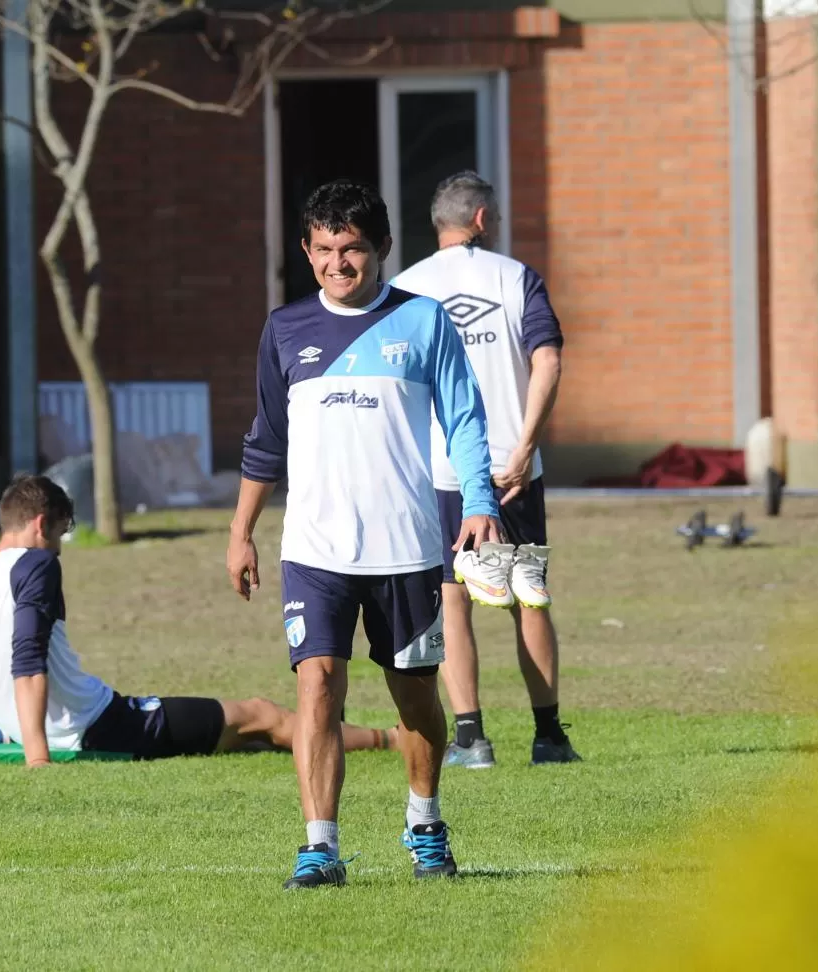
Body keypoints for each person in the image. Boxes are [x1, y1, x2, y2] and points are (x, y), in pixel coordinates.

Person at [226, 180, 501, 890]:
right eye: (323, 250)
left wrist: (477, 501)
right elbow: (266, 442)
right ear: (306, 252)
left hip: (406, 548)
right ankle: (320, 847)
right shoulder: (285, 329)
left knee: (414, 698)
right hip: (313, 551)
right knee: (317, 684)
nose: (337, 264)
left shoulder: (425, 321)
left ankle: (425, 822)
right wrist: (241, 532)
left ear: (380, 249)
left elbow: (466, 419)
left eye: (351, 249)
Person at [0, 474, 398, 762]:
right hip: (98, 726)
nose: (58, 544)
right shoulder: (36, 565)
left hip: (38, 725)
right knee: (259, 715)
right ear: (39, 524)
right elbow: (27, 663)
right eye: (62, 532)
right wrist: (37, 758)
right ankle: (390, 740)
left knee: (241, 737)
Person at [391, 171, 581, 769]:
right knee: (530, 597)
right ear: (480, 219)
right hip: (512, 466)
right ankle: (548, 737)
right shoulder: (516, 276)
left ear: (437, 224)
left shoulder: (404, 288)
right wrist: (526, 445)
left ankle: (471, 738)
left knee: (453, 597)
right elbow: (547, 361)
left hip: (444, 469)